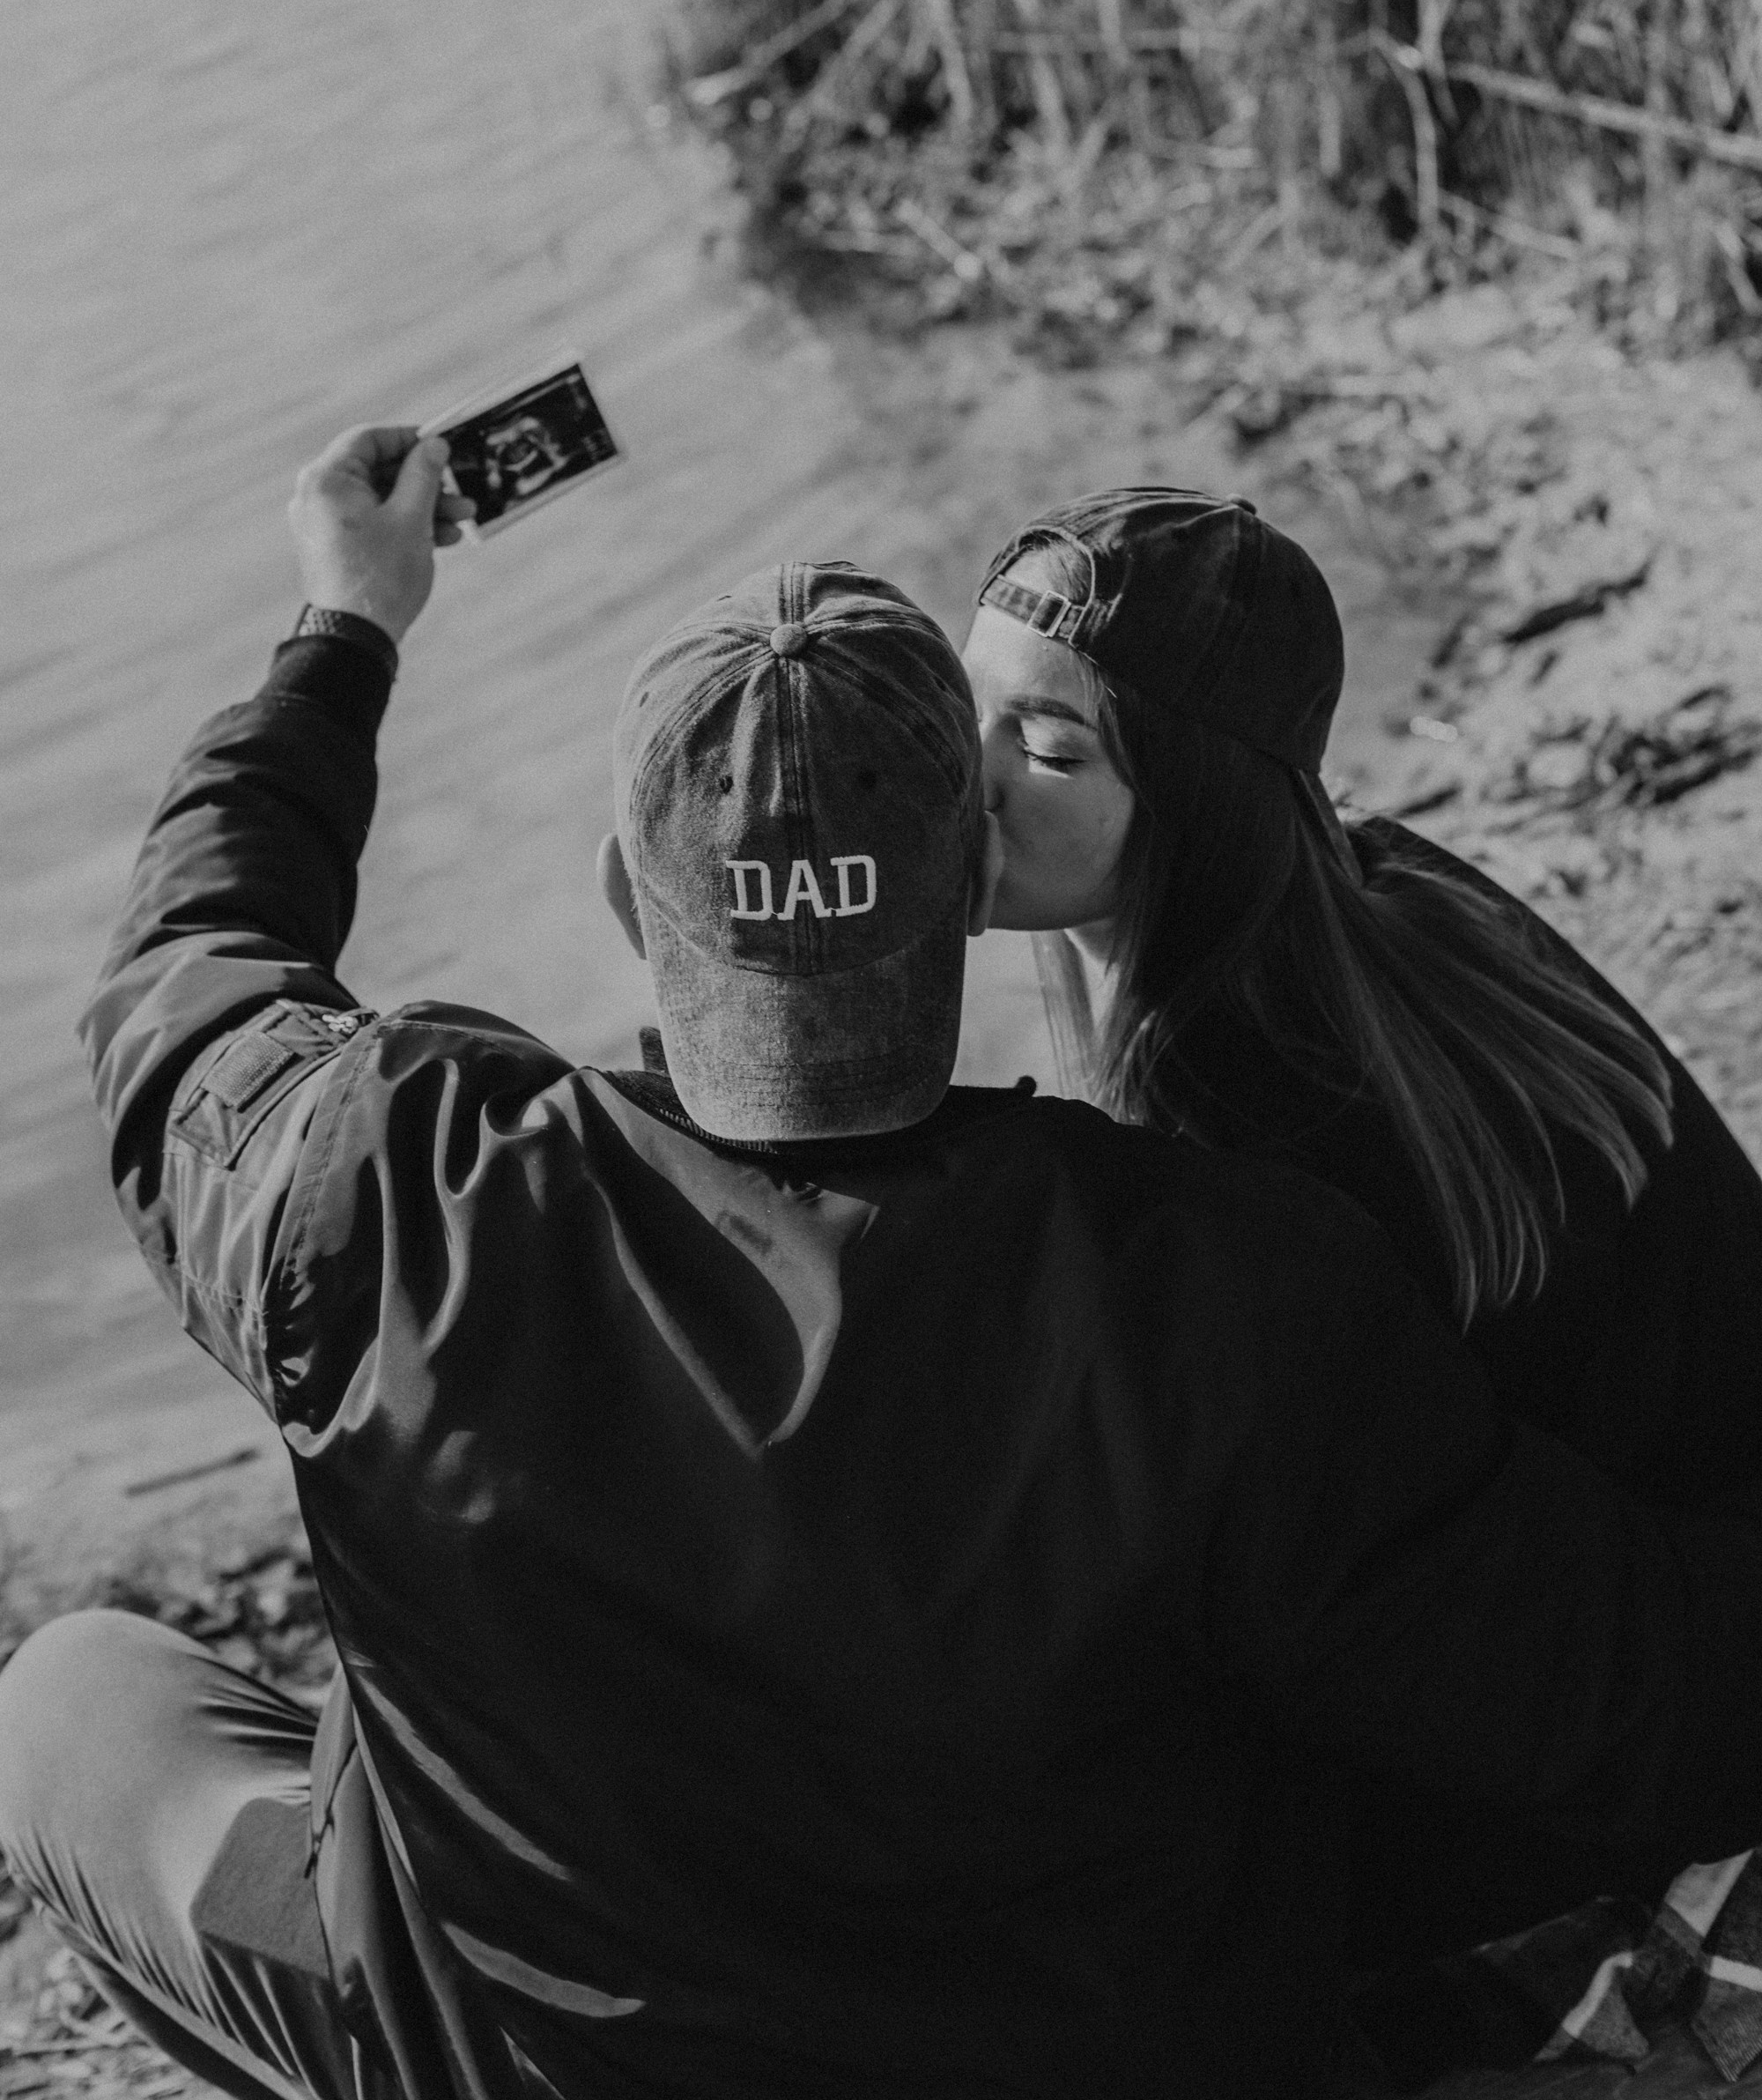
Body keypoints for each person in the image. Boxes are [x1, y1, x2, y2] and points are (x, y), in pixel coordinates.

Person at [11, 434, 1762, 2100]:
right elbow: (1624, 1693)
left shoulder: (378, 1179)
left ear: (629, 899)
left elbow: (191, 959)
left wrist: (343, 627)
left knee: (70, 1704)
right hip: (1116, 2046)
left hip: (532, 2059)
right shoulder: (1227, 1290)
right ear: (964, 890)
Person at [964, 483, 1762, 2045]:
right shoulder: (1383, 889)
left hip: (1657, 1711)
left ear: (1197, 800)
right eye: (966, 710)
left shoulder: (1243, 1117)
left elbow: (1378, 1618)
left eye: (1046, 752)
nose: (965, 783)